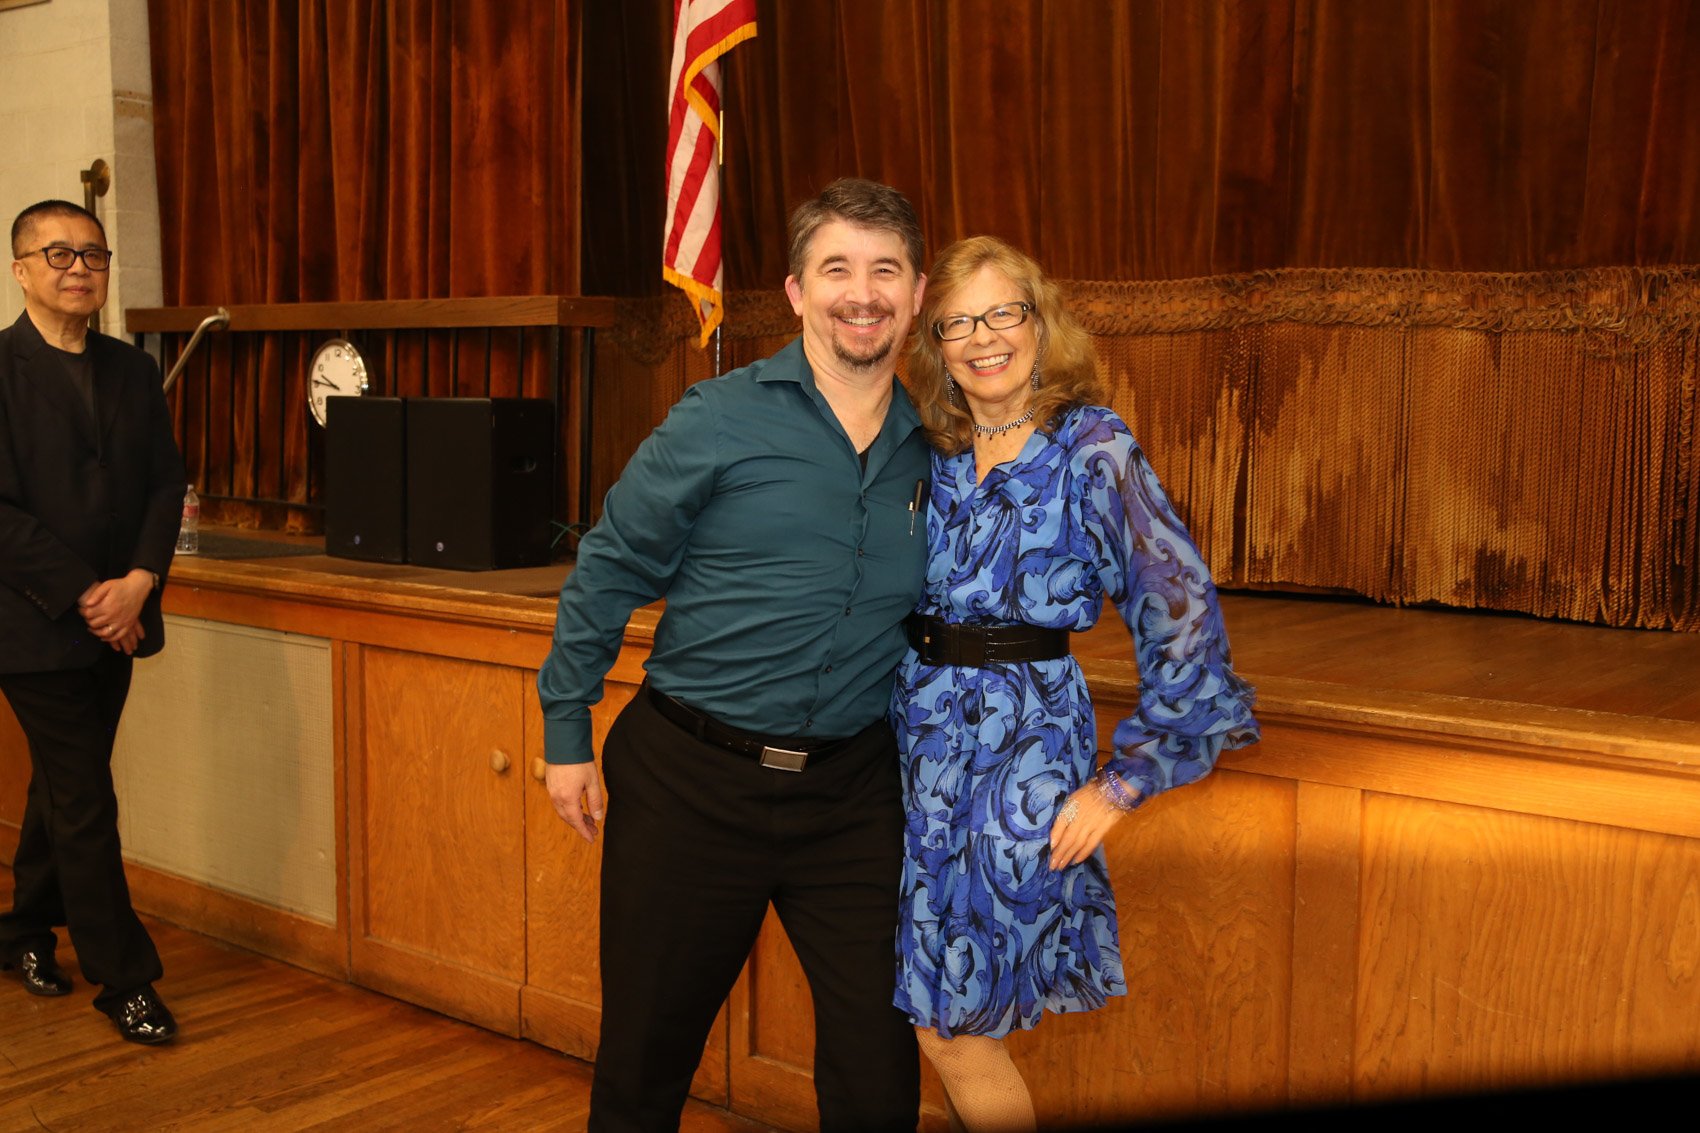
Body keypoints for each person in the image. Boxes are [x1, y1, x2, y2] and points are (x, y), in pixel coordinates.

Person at [538, 178, 931, 1133]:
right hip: (690, 783)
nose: (862, 293)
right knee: (645, 1064)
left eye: (885, 270)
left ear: (918, 293)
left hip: (852, 796)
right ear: (796, 291)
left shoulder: (939, 446)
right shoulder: (717, 417)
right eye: (836, 268)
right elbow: (610, 567)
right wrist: (565, 730)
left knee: (880, 1073)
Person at [891, 236, 1260, 1130]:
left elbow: (1178, 604)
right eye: (956, 323)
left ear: (1040, 321)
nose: (982, 338)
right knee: (936, 1013)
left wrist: (1124, 781)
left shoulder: (1092, 445)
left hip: (1020, 751)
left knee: (952, 1026)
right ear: (936, 345)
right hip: (918, 751)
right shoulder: (930, 449)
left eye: (1002, 313)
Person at [0, 200, 187, 1044]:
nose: (80, 268)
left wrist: (140, 581)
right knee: (84, 795)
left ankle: (20, 929)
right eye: (59, 254)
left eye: (94, 255)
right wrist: (87, 593)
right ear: (21, 269)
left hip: (123, 614)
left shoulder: (132, 370)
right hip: (32, 624)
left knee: (61, 785)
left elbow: (163, 482)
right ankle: (125, 979)